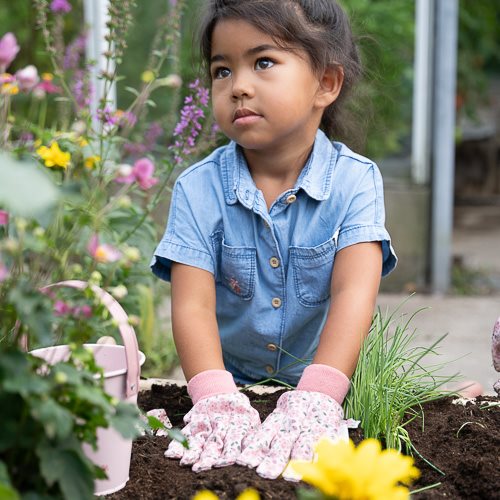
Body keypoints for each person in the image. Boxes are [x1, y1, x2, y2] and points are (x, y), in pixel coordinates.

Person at [151, 0, 397, 480]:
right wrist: (215, 399)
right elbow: (192, 307)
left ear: (326, 83)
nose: (238, 85)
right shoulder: (197, 189)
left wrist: (319, 396)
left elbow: (354, 294)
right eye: (222, 70)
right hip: (232, 389)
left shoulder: (356, 182)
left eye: (263, 62)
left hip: (330, 393)